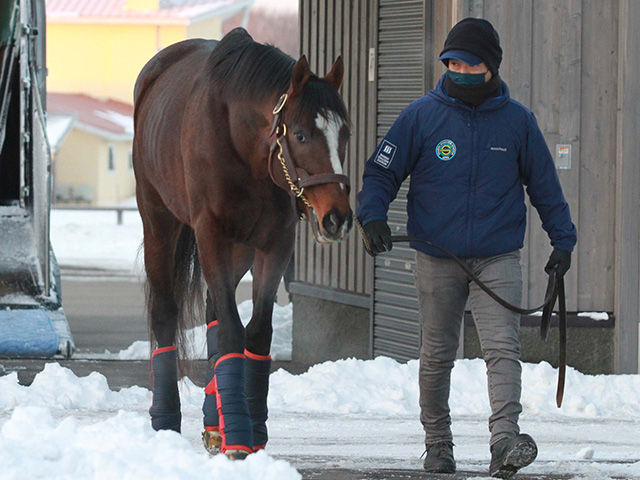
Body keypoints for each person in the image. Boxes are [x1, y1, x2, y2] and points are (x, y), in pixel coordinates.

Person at [356, 17, 576, 479]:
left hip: (498, 257)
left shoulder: (518, 122)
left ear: (490, 67)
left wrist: (563, 241)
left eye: (468, 62)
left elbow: (546, 188)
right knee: (437, 355)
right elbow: (381, 172)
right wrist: (372, 215)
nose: (458, 69)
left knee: (502, 349)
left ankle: (504, 442)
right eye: (452, 61)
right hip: (437, 257)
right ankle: (438, 444)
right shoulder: (421, 116)